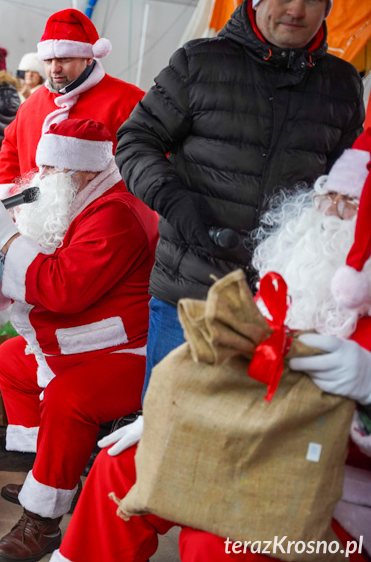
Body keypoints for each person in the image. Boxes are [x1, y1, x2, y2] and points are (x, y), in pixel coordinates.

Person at [52, 130, 371, 562]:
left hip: (326, 485)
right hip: (240, 438)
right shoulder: (290, 282)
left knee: (213, 546)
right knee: (118, 466)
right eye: (325, 197)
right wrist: (174, 412)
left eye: (348, 205)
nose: (328, 214)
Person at [115, 0, 364, 418]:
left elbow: (346, 183)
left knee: (252, 440)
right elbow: (135, 140)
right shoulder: (199, 62)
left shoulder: (341, 84)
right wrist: (174, 200)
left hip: (286, 306)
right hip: (192, 294)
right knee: (164, 428)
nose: (297, 9)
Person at [0, 119, 159, 562]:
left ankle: (43, 521)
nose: (40, 180)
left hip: (130, 348)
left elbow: (63, 288)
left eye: (51, 170)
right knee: (12, 359)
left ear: (84, 171)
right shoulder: (83, 198)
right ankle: (49, 470)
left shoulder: (116, 214)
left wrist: (10, 237)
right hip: (91, 335)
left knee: (69, 398)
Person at [0, 8, 144, 200]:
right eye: (48, 60)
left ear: (88, 58)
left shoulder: (129, 101)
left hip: (102, 220)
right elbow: (11, 149)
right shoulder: (31, 104)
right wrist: (9, 196)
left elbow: (151, 159)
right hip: (33, 221)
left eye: (64, 59)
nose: (54, 69)